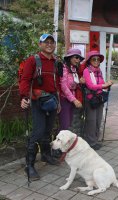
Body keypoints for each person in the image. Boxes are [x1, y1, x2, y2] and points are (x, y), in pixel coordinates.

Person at [19, 34, 61, 181]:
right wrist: (24, 97)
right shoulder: (33, 60)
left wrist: (59, 102)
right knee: (37, 132)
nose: (49, 44)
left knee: (48, 130)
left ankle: (46, 155)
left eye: (52, 42)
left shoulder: (56, 62)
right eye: (46, 42)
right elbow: (24, 80)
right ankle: (29, 165)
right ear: (40, 44)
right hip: (37, 102)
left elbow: (58, 84)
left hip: (53, 100)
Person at [82, 50, 113, 150]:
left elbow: (102, 83)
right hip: (91, 99)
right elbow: (90, 85)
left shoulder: (99, 71)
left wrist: (107, 84)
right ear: (89, 61)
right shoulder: (87, 71)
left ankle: (95, 140)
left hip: (99, 99)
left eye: (98, 59)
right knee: (91, 121)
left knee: (98, 120)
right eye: (94, 59)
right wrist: (104, 85)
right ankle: (90, 142)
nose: (96, 61)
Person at [59, 48, 84, 132]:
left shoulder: (74, 69)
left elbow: (74, 85)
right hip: (64, 100)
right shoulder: (64, 68)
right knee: (65, 125)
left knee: (69, 124)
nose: (78, 60)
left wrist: (80, 82)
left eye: (79, 58)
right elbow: (63, 86)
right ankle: (59, 144)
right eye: (76, 57)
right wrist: (74, 100)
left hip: (72, 100)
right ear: (69, 57)